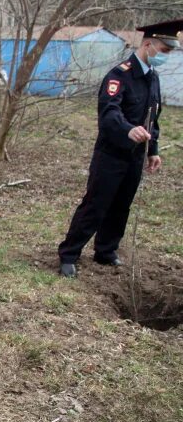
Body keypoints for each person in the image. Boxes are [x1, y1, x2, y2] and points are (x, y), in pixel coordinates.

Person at [57, 19, 182, 277]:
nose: (166, 57)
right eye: (165, 51)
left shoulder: (153, 78)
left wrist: (153, 150)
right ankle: (69, 254)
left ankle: (106, 250)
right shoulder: (119, 75)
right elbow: (109, 113)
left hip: (135, 156)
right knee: (96, 204)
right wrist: (127, 129)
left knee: (121, 205)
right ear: (148, 45)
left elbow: (152, 117)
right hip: (111, 154)